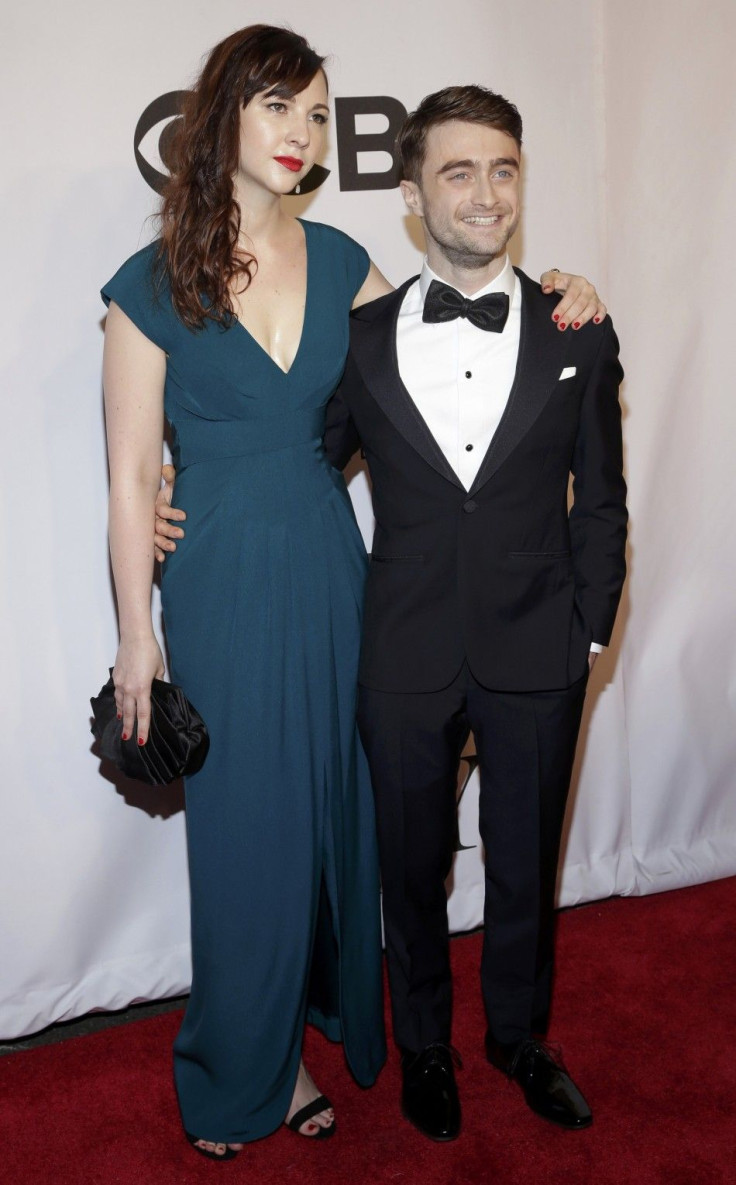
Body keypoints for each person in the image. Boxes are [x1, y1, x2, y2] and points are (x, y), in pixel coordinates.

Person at [119, 30, 603, 1158]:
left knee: (343, 820)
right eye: (281, 106)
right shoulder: (154, 280)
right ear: (222, 117)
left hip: (341, 578)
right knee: (245, 832)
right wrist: (135, 625)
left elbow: (450, 335)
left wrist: (562, 288)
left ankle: (343, 1017)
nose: (301, 133)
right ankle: (246, 1063)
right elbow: (126, 476)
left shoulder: (345, 265)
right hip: (224, 577)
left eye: (319, 115)